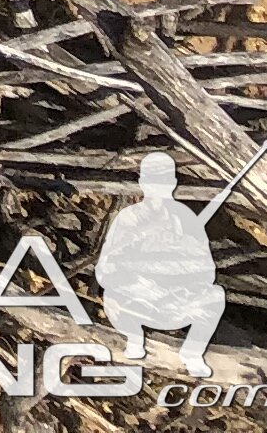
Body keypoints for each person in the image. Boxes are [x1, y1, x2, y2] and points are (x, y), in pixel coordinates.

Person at [97, 152, 228, 373]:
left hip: (176, 302)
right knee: (111, 297)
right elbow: (104, 271)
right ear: (142, 183)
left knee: (215, 296)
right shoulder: (128, 219)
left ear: (173, 183)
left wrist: (179, 263)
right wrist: (136, 272)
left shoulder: (186, 219)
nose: (158, 190)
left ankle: (192, 353)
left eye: (164, 182)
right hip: (137, 300)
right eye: (152, 182)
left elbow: (207, 272)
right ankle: (134, 339)